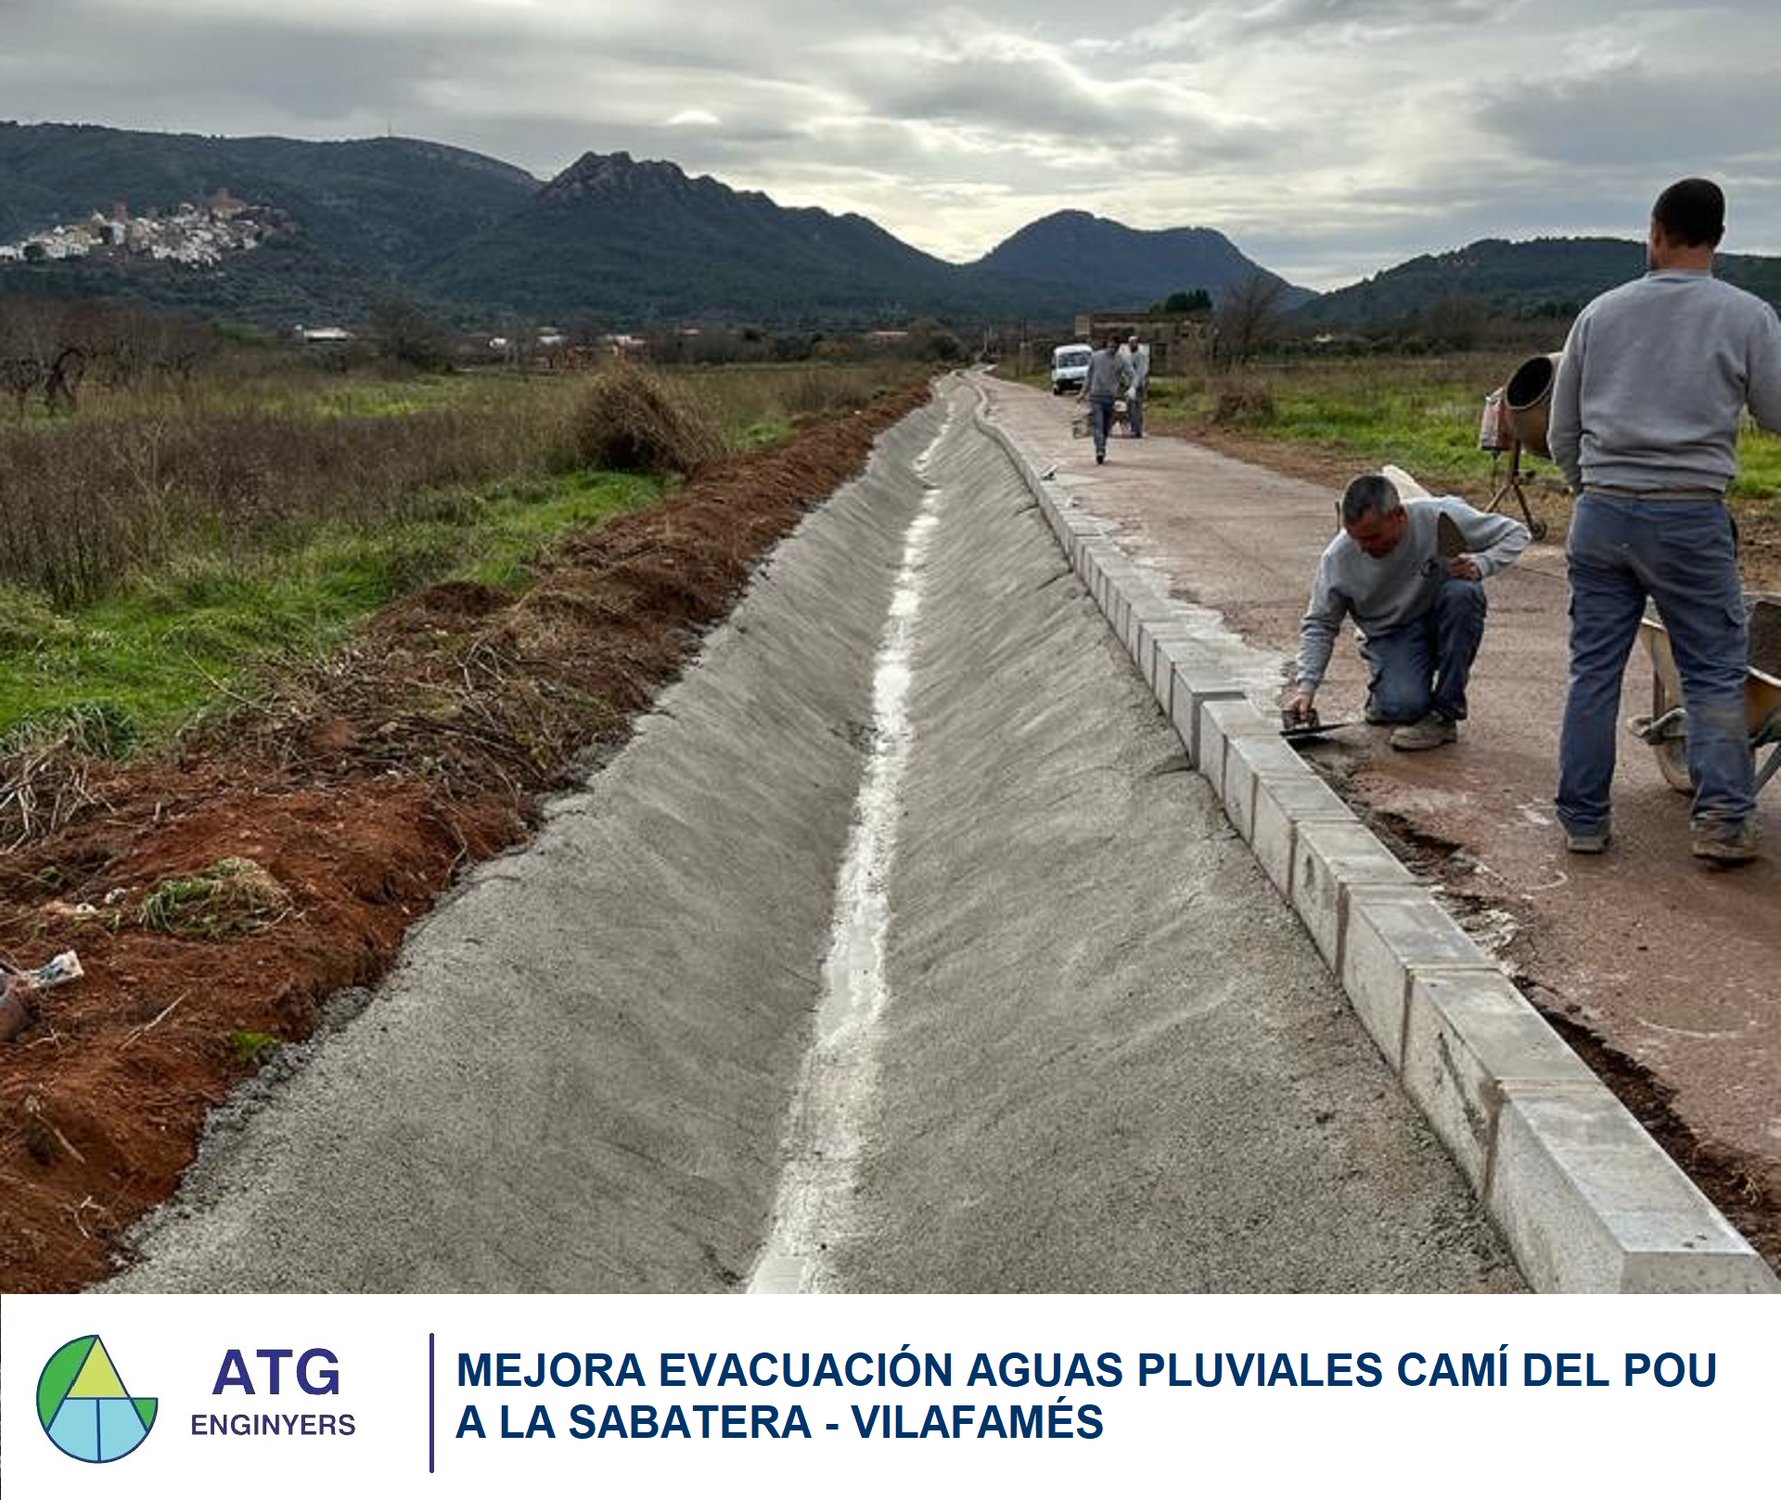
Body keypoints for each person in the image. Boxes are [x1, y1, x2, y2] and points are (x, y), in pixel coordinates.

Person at [1548, 177, 1781, 864]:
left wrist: (1590, 491)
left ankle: (1583, 821)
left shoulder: (1598, 313)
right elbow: (1775, 411)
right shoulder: (1745, 315)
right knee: (1711, 671)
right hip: (1688, 514)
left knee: (1592, 671)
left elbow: (1562, 430)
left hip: (1600, 511)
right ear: (1717, 236)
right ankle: (1720, 825)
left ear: (1654, 231)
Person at [1286, 473, 1530, 751]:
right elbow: (1320, 623)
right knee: (1403, 706)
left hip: (1441, 617)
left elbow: (1517, 533)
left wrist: (1483, 563)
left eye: (1373, 537)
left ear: (1399, 516)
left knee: (1465, 593)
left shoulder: (1440, 518)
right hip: (1391, 632)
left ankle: (1444, 715)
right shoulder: (1338, 558)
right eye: (1357, 540)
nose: (1365, 548)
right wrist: (1306, 688)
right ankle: (1387, 694)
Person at [1079, 334, 1127, 464]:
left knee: (1106, 427)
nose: (1112, 348)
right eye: (1110, 346)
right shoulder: (1095, 357)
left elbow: (1126, 377)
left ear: (1118, 348)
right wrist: (1083, 393)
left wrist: (1129, 389)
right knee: (1098, 424)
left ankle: (1102, 447)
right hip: (1095, 396)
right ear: (1107, 344)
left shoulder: (1121, 361)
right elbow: (1089, 376)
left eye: (1115, 347)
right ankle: (1099, 449)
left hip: (1110, 398)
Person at [1122, 334, 1150, 438]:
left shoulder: (1141, 356)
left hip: (1138, 387)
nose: (1131, 345)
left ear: (1137, 344)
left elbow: (1141, 372)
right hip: (1130, 387)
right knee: (1130, 408)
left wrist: (1135, 385)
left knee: (1137, 408)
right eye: (1130, 343)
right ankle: (1134, 429)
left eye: (1133, 343)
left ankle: (1138, 430)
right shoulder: (1128, 357)